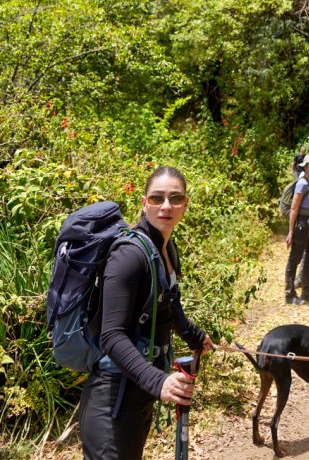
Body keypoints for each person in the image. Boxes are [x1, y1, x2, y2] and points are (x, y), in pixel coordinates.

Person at [78, 165, 214, 460]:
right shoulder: (129, 255)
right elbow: (111, 336)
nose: (166, 206)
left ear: (185, 204)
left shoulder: (165, 249)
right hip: (111, 399)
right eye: (157, 198)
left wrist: (194, 335)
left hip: (138, 393)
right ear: (144, 202)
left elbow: (168, 305)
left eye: (175, 198)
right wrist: (159, 381)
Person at [285, 153, 309, 305]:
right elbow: (294, 208)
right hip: (301, 222)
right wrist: (291, 231)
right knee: (296, 257)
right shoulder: (302, 183)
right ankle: (289, 293)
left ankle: (306, 290)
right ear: (304, 167)